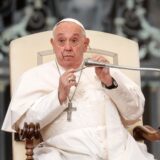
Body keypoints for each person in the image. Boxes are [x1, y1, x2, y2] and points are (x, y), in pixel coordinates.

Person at [1, 18, 155, 160]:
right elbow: (24, 125)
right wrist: (59, 96)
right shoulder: (34, 76)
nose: (67, 47)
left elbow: (134, 111)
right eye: (61, 41)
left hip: (121, 152)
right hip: (66, 154)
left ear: (85, 44)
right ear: (53, 44)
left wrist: (109, 82)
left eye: (74, 40)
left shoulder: (106, 71)